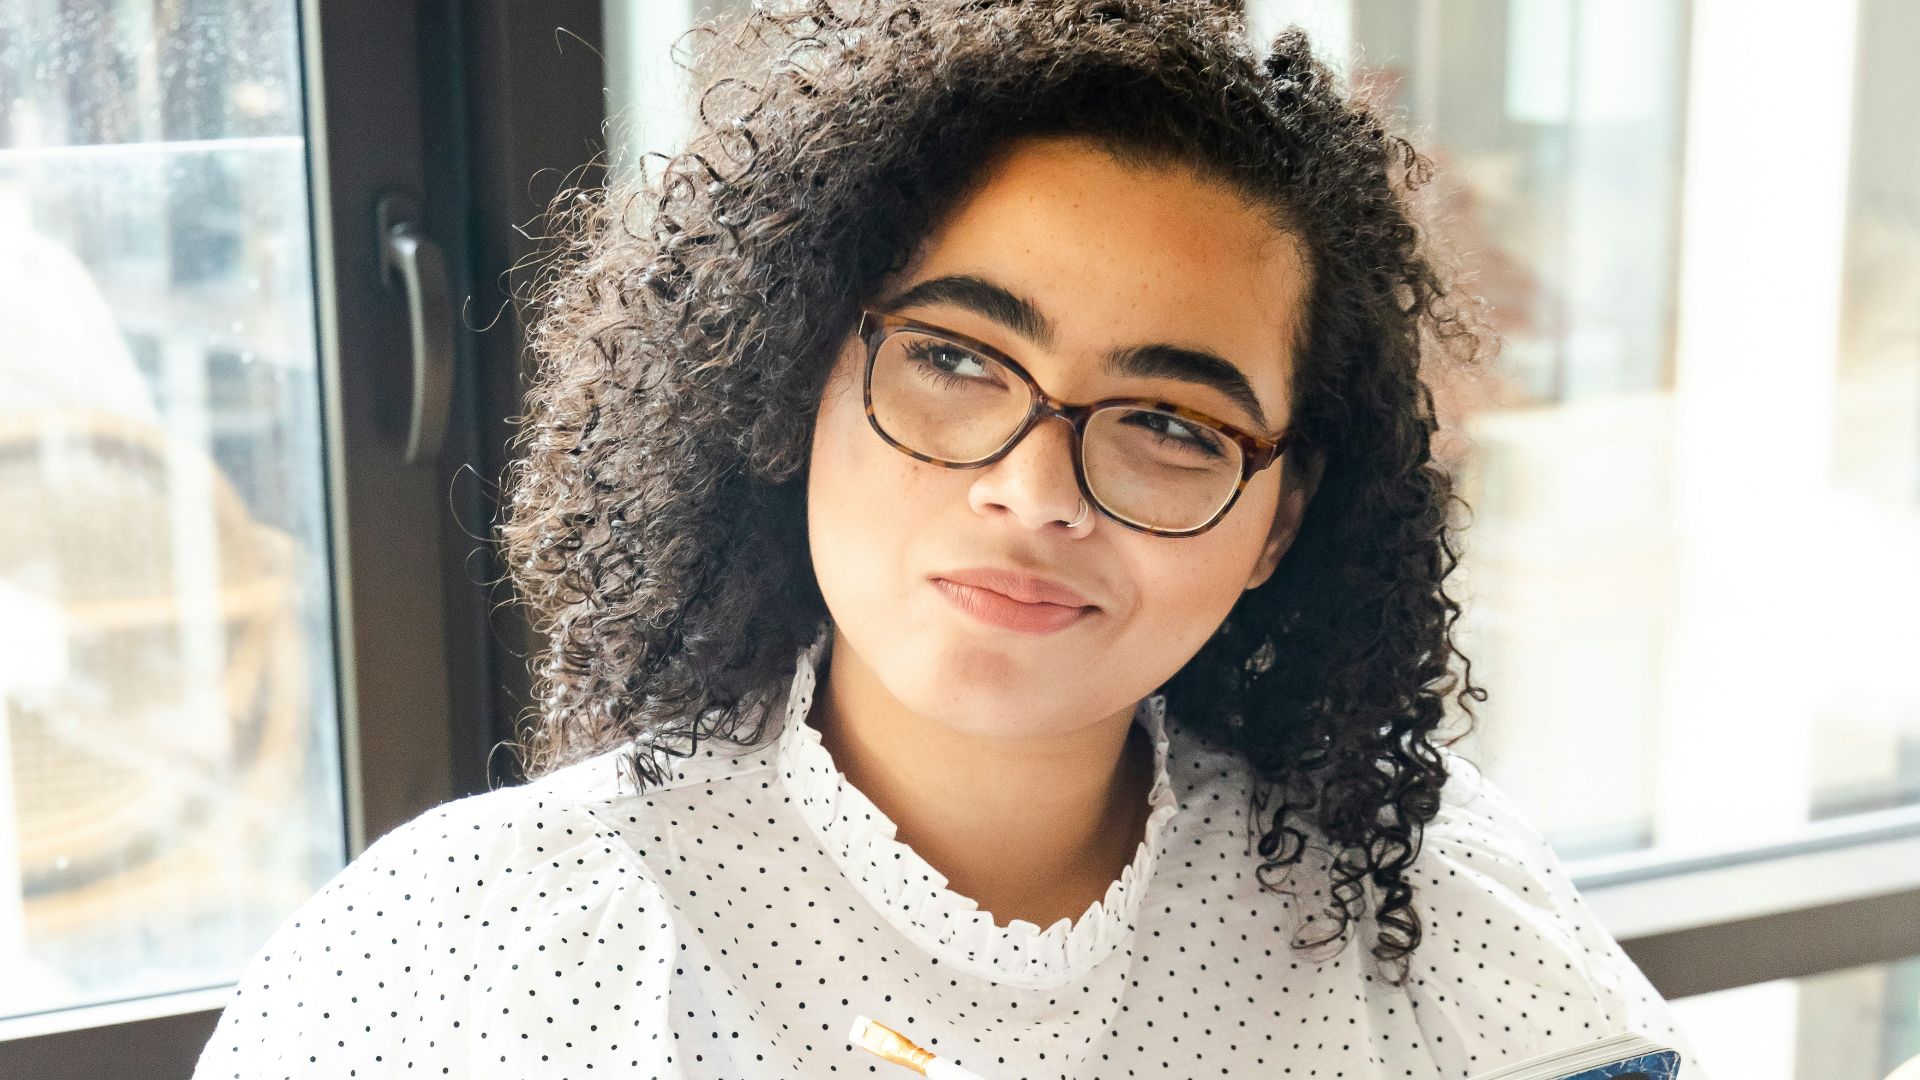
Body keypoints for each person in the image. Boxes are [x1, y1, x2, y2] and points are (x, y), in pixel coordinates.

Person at [192, 2, 1707, 1077]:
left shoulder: (1421, 907)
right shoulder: (464, 948)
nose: (1036, 491)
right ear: (792, 378)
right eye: (957, 360)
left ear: (1278, 521)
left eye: (1170, 423)